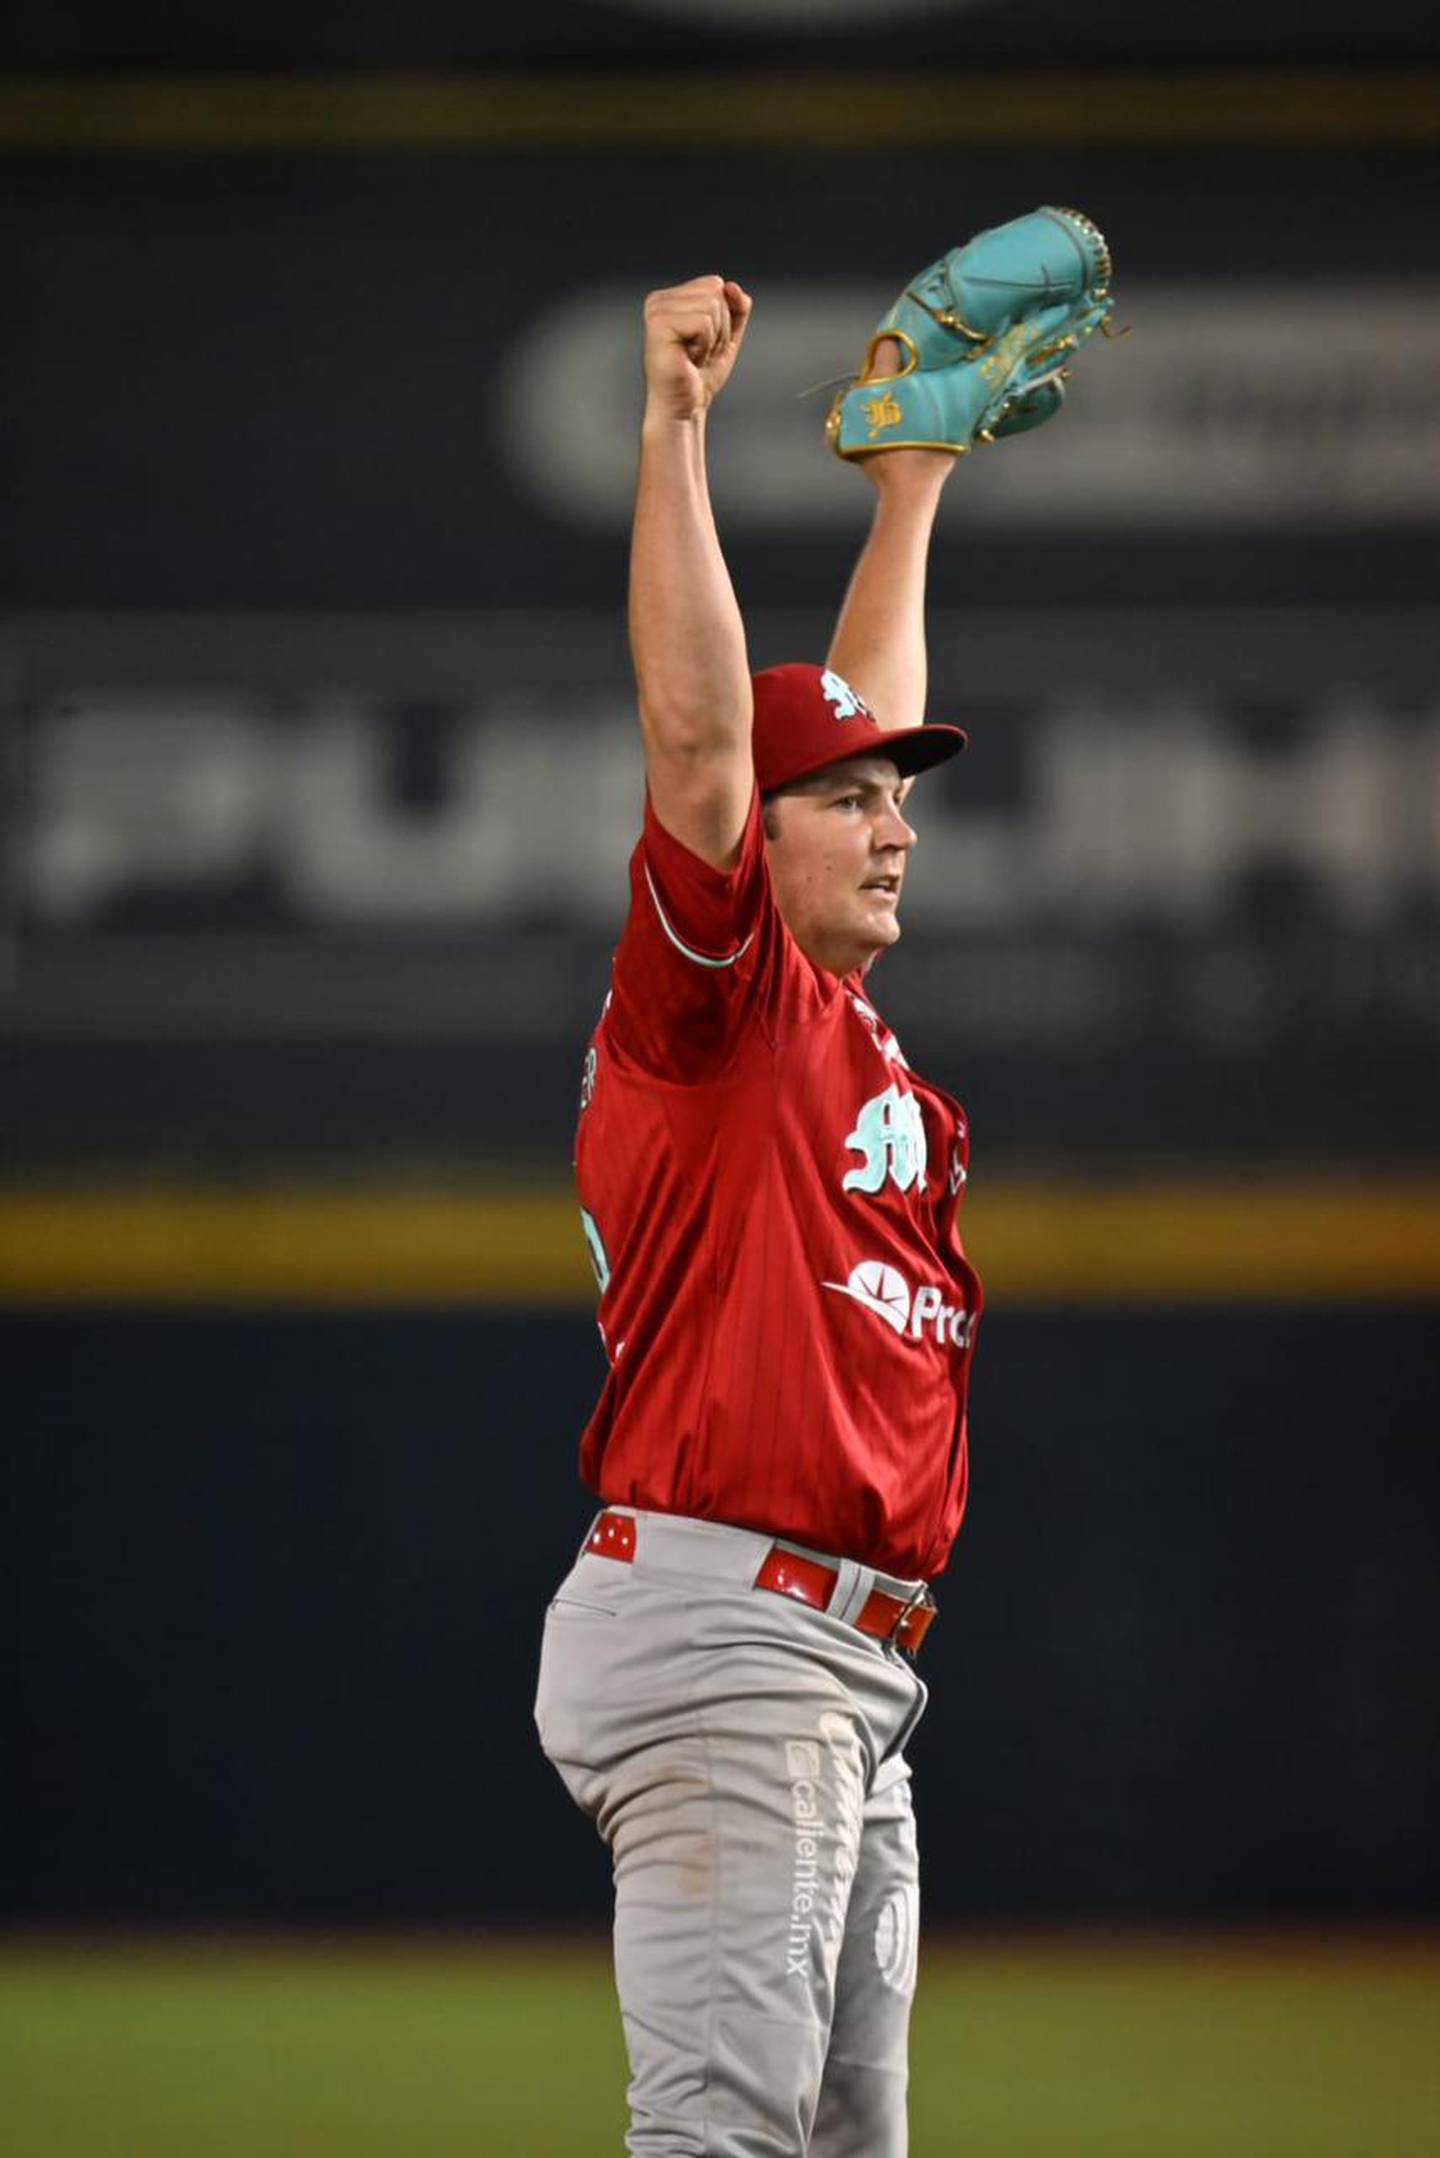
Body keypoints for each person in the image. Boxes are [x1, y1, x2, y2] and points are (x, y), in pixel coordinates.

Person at [534, 273, 981, 2158]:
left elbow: (823, 730)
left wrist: (911, 491)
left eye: (902, 800)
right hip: (739, 1638)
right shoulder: (712, 1006)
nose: (894, 826)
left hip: (844, 1671)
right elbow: (714, 743)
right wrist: (677, 425)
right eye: (854, 804)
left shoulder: (848, 1042)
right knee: (723, 2144)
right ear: (754, 849)